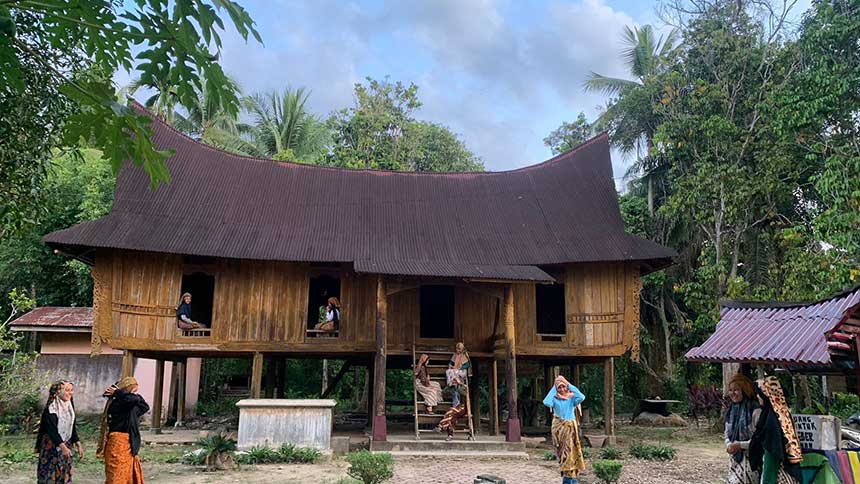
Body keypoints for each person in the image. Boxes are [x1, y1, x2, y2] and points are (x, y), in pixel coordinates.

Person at [749, 376, 802, 484]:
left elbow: (772, 456)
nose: (758, 397)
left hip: (777, 476)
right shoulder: (783, 414)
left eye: (759, 393)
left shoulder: (771, 421)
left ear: (766, 395)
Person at [97, 376, 150, 484]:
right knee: (117, 474)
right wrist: (118, 393)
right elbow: (134, 399)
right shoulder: (119, 403)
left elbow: (145, 406)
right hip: (117, 443)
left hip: (129, 443)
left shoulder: (130, 405)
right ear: (127, 389)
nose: (135, 393)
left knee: (128, 475)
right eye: (133, 389)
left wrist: (125, 393)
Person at [35, 380, 82, 484]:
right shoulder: (51, 408)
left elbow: (71, 425)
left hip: (66, 444)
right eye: (67, 390)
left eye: (72, 390)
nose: (70, 393)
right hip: (51, 446)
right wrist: (62, 447)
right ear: (58, 392)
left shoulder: (69, 406)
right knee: (50, 473)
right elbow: (52, 431)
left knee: (64, 472)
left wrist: (77, 442)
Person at [543, 375, 586, 484]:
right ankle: (568, 478)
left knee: (572, 452)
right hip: (560, 431)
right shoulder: (554, 399)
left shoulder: (572, 398)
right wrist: (554, 386)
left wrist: (568, 384)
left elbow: (581, 397)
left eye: (563, 387)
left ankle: (570, 478)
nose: (562, 389)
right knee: (564, 454)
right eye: (559, 388)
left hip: (570, 431)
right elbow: (546, 402)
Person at [724, 373, 761, 484]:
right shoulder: (731, 410)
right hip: (734, 459)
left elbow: (759, 439)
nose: (732, 393)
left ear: (745, 390)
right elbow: (726, 433)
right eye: (730, 390)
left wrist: (740, 445)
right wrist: (729, 445)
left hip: (751, 460)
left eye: (736, 390)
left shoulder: (755, 410)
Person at [446, 342, 470, 407]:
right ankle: (451, 383)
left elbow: (467, 365)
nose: (458, 350)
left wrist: (460, 367)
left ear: (461, 349)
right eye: (457, 349)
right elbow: (451, 362)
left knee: (455, 372)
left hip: (461, 371)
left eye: (459, 349)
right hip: (455, 370)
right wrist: (450, 365)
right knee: (448, 371)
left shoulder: (463, 355)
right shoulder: (455, 355)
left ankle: (456, 381)